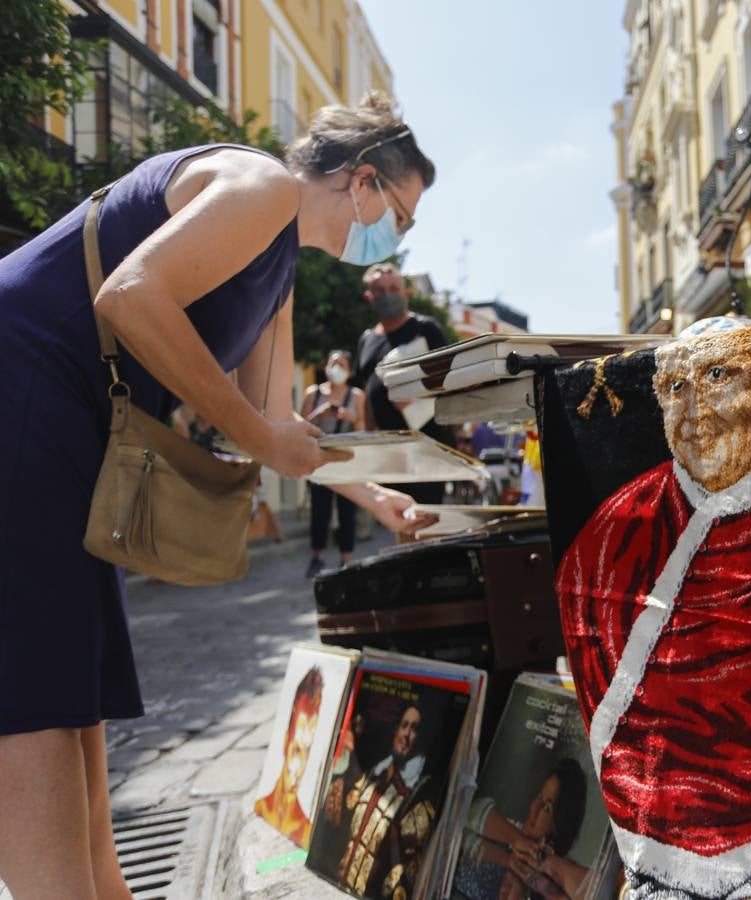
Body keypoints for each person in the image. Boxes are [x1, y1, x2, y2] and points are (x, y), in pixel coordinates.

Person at [0, 90, 439, 899]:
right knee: (34, 695)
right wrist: (270, 438)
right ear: (365, 181)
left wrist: (379, 499)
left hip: (68, 426)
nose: (394, 245)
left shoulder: (280, 273)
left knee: (75, 694)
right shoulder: (259, 185)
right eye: (399, 219)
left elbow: (270, 426)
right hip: (23, 389)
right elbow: (130, 295)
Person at [555, 323, 751, 896]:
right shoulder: (618, 529)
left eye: (717, 375)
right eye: (675, 388)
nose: (695, 409)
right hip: (655, 848)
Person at [317, 702, 440, 898]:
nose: (407, 735)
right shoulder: (372, 777)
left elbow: (404, 872)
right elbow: (337, 818)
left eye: (414, 729)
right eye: (404, 726)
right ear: (396, 729)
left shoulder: (418, 799)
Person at [353, 262, 450, 505]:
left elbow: (451, 381)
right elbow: (366, 392)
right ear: (369, 296)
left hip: (427, 446)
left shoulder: (425, 329)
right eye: (380, 290)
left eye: (393, 288)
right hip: (389, 451)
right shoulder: (366, 340)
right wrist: (369, 441)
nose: (388, 295)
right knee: (398, 518)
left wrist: (418, 399)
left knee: (427, 519)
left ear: (406, 293)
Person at [454, 758, 590, 900]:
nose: (534, 807)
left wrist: (544, 861)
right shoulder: (513, 832)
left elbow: (594, 891)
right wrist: (515, 849)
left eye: (546, 807)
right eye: (539, 797)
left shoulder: (556, 874)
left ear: (560, 827)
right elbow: (468, 813)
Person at [302, 350, 366, 576]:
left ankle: (346, 559)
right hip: (319, 460)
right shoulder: (313, 393)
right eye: (333, 363)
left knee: (347, 510)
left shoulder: (356, 395)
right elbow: (301, 426)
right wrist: (319, 413)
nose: (336, 368)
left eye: (341, 364)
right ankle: (317, 556)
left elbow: (362, 431)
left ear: (349, 371)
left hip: (346, 460)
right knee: (319, 510)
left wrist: (351, 418)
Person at [254, 666, 325, 847]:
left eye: (306, 751)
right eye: (296, 751)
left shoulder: (306, 828)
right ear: (286, 742)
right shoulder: (263, 806)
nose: (298, 769)